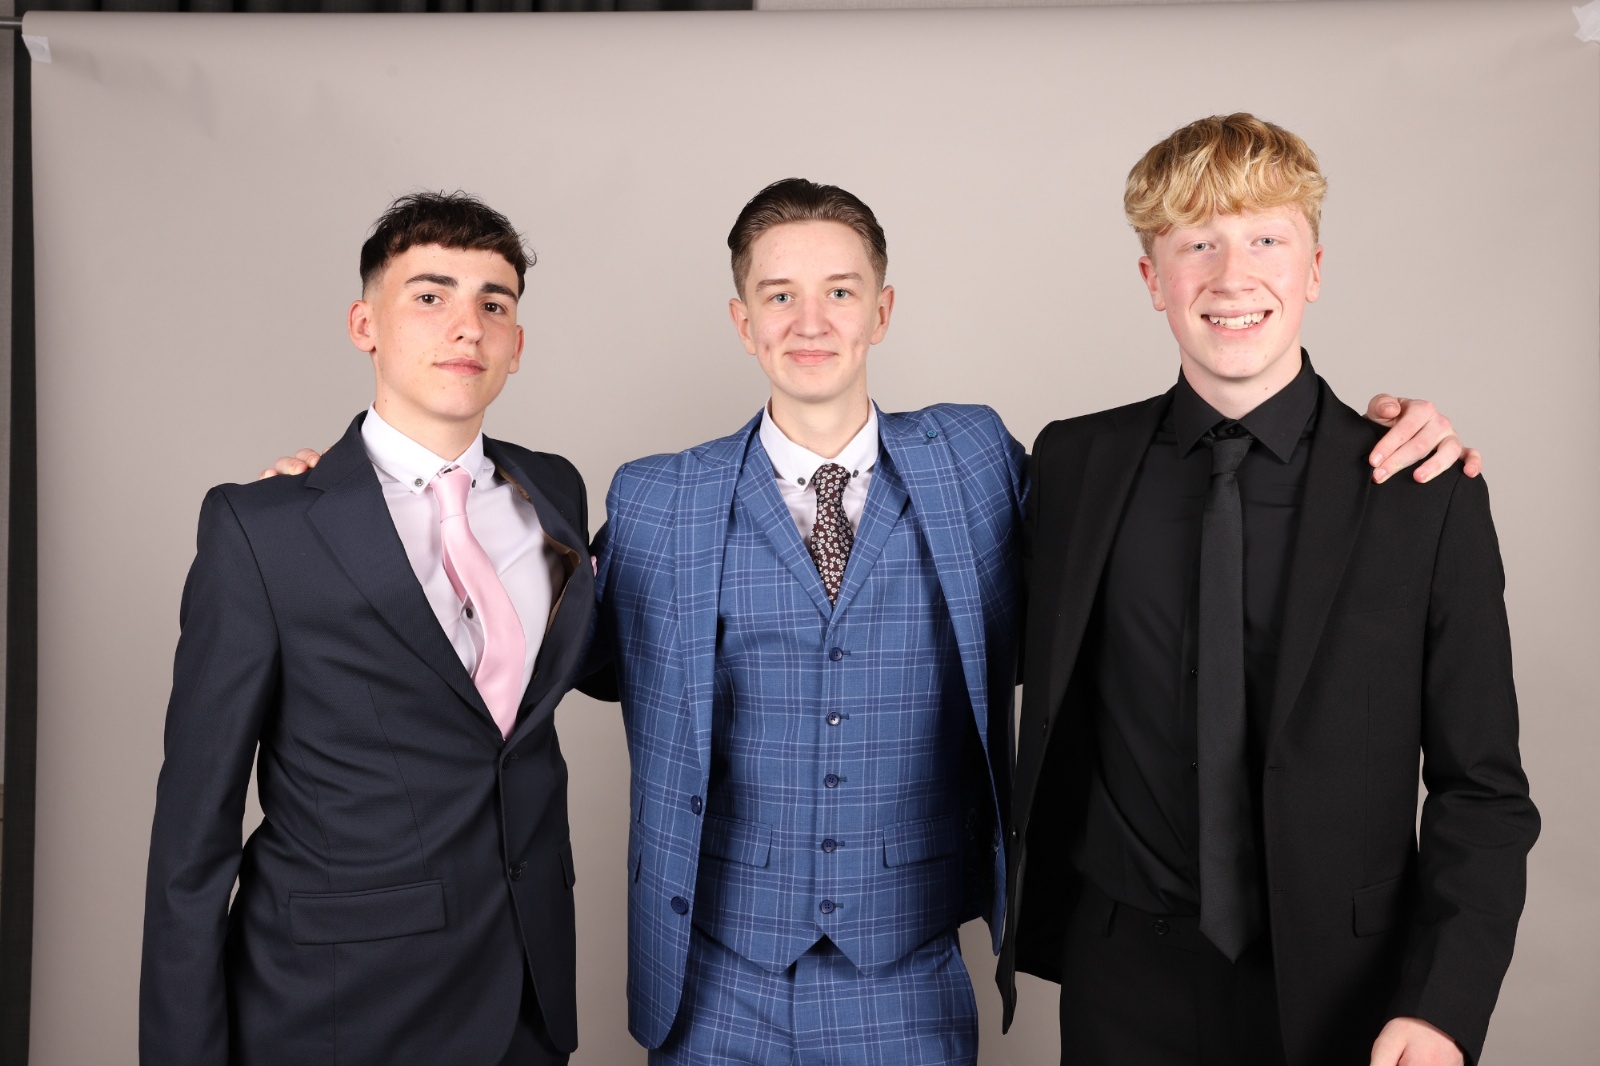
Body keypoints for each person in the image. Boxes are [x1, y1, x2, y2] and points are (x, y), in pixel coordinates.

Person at [264, 179, 1475, 1065]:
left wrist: (1382, 435)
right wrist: (379, 498)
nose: (811, 319)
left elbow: (1154, 527)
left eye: (839, 291)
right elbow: (543, 641)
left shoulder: (978, 464)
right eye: (779, 295)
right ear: (742, 320)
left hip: (908, 977)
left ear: (881, 309)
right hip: (715, 983)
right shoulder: (659, 499)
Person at [997, 114, 1538, 1066]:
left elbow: (1482, 790)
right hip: (1121, 981)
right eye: (1196, 244)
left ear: (1314, 269)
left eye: (1266, 241)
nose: (1232, 276)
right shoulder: (1073, 463)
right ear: (1151, 278)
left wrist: (1442, 1007)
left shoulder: (1423, 491)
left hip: (1347, 996)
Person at [141, 192, 593, 1066]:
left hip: (527, 999)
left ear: (516, 344)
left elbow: (601, 660)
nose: (466, 326)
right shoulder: (263, 529)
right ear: (365, 325)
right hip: (338, 1007)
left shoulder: (555, 491)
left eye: (493, 304)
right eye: (430, 295)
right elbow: (191, 839)